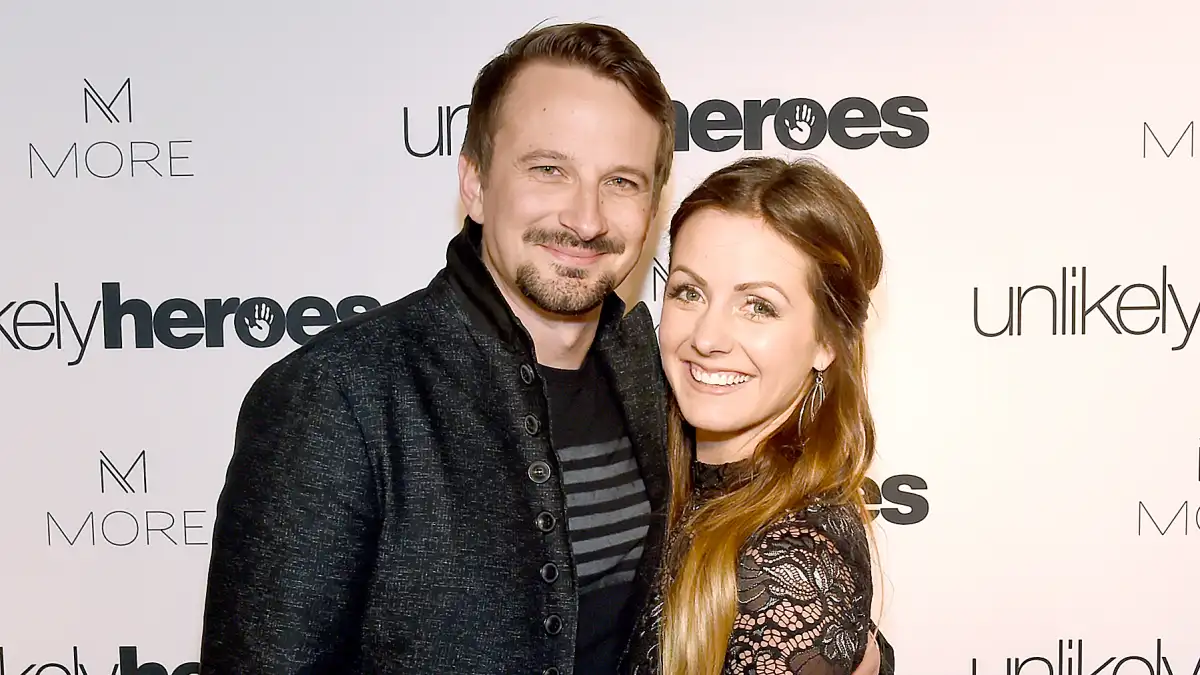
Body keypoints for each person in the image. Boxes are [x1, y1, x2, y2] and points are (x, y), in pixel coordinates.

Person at [198, 22, 886, 675]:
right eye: (549, 169)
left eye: (620, 181)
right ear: (474, 183)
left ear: (651, 206)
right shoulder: (337, 399)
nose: (584, 218)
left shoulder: (662, 371)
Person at [624, 156, 896, 675]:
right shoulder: (682, 484)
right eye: (689, 292)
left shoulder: (789, 567)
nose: (706, 338)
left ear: (826, 342)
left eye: (758, 307)